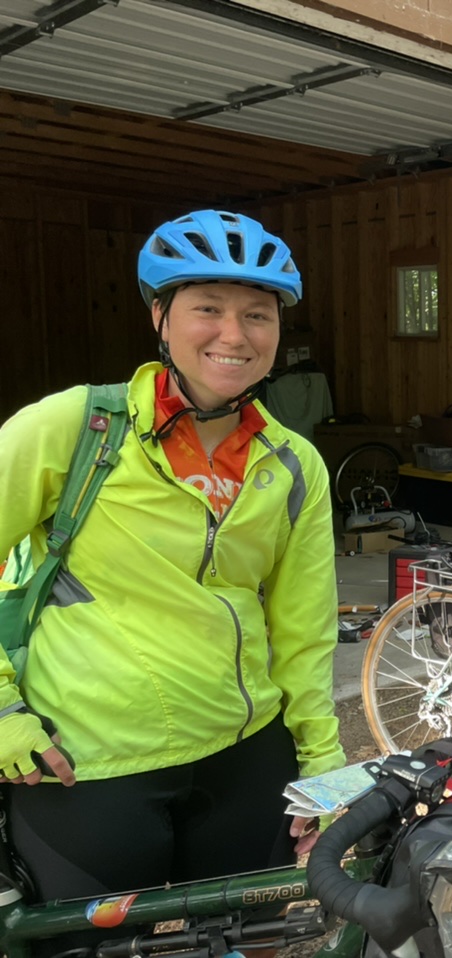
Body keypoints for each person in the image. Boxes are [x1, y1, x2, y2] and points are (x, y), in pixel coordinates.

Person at [0, 209, 343, 902]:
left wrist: (328, 768)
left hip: (246, 758)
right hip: (87, 765)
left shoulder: (294, 463)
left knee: (252, 941)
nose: (234, 334)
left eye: (258, 315)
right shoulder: (76, 428)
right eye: (207, 308)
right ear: (160, 316)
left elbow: (305, 634)